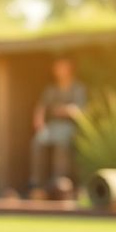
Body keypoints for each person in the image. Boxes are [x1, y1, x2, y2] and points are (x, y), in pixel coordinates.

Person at [28, 57, 86, 199]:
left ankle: (60, 182)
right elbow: (41, 106)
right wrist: (39, 122)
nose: (59, 71)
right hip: (53, 126)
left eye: (62, 68)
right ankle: (37, 183)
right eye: (57, 68)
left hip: (70, 126)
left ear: (69, 69)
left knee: (61, 141)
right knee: (38, 141)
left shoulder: (78, 88)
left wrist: (65, 110)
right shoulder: (51, 89)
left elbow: (79, 111)